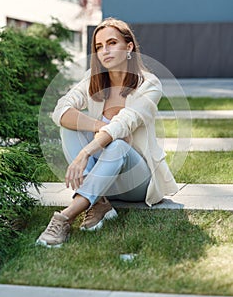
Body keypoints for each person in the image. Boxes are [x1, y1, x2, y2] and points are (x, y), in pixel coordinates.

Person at [36, 17, 179, 247]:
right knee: (69, 127)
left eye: (112, 43)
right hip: (103, 178)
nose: (105, 51)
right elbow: (60, 111)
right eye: (99, 47)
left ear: (129, 46)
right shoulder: (92, 80)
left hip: (137, 182)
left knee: (119, 144)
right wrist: (97, 126)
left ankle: (65, 217)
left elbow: (124, 122)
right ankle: (99, 201)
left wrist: (85, 152)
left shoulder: (149, 84)